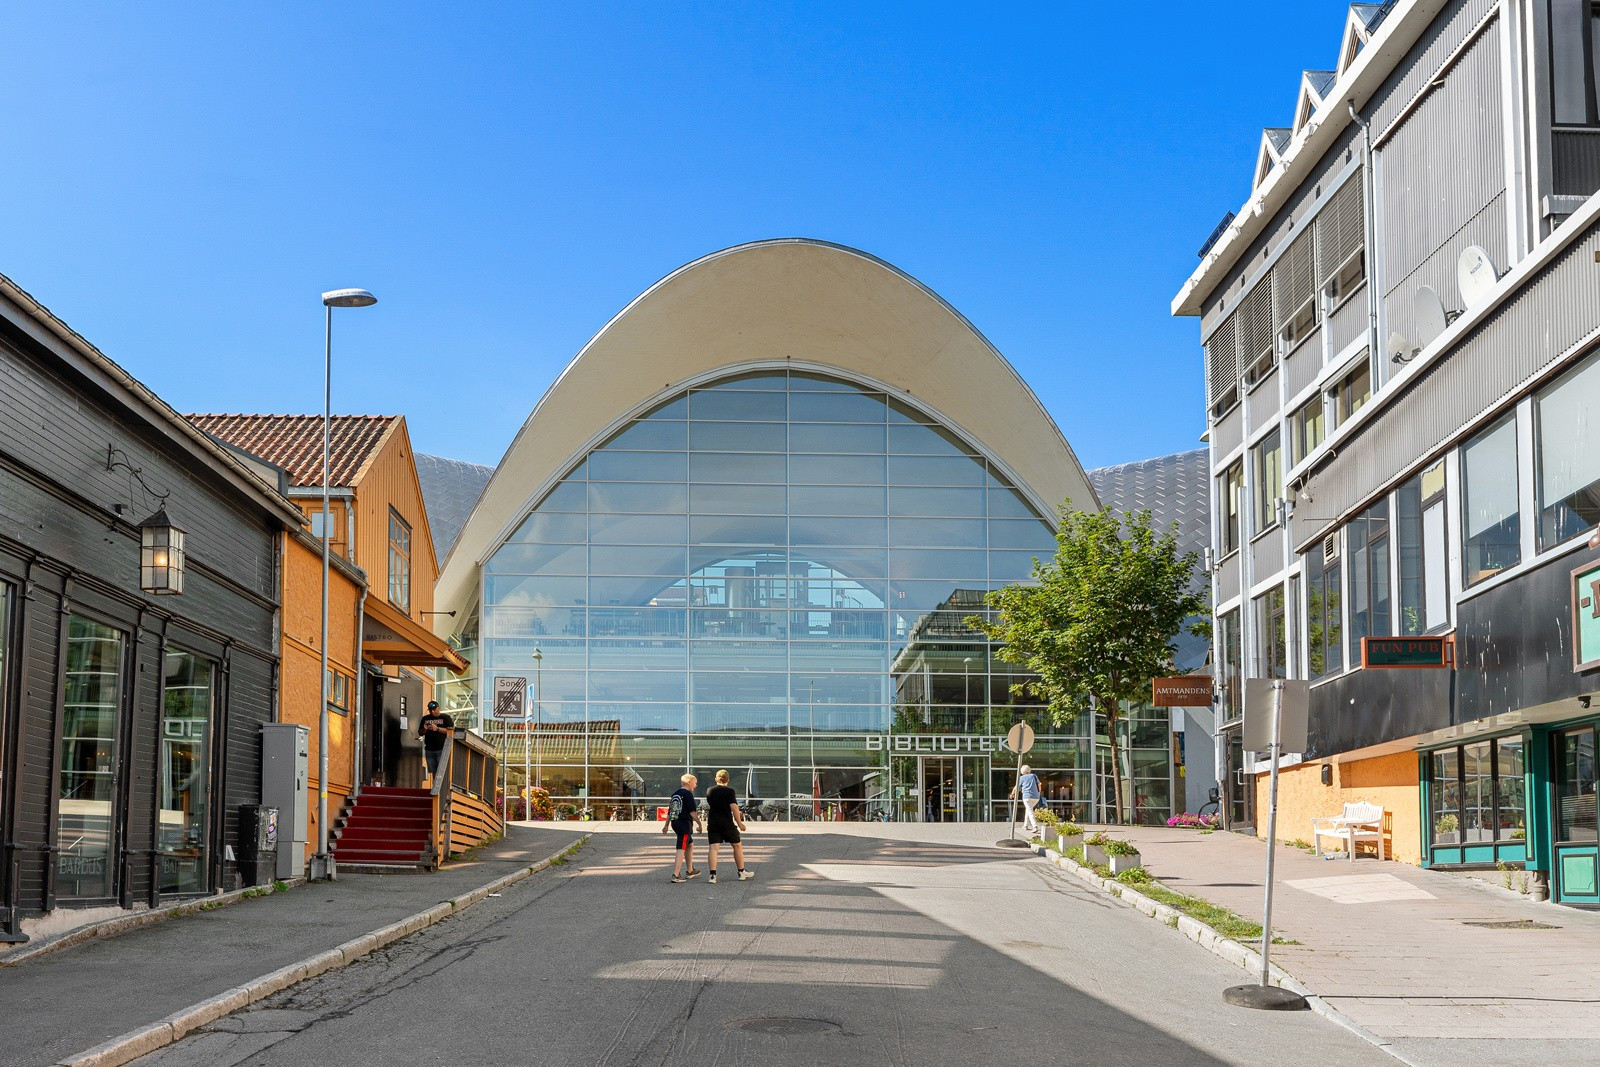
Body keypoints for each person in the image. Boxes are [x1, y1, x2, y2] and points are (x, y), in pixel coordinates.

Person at [704, 769, 754, 884]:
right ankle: (741, 872)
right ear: (728, 780)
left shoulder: (709, 790)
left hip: (713, 822)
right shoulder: (730, 791)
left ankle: (712, 876)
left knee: (713, 848)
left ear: (716, 779)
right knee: (737, 845)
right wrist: (740, 823)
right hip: (726, 823)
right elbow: (734, 808)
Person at [661, 773, 703, 883]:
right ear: (689, 782)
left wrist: (666, 825)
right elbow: (692, 812)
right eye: (695, 783)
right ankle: (676, 874)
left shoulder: (676, 794)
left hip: (675, 823)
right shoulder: (688, 794)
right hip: (684, 824)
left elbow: (671, 811)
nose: (696, 785)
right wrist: (699, 824)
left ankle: (690, 870)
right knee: (681, 847)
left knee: (689, 843)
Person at [417, 700, 454, 782]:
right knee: (433, 771)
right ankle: (435, 789)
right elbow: (420, 732)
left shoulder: (446, 718)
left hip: (442, 748)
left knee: (442, 770)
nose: (432, 711)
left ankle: (441, 789)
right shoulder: (425, 718)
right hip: (429, 748)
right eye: (430, 710)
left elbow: (451, 732)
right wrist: (425, 730)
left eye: (434, 709)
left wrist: (437, 729)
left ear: (438, 708)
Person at [1010, 763, 1042, 835]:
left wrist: (1012, 794)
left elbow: (1016, 787)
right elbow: (1039, 784)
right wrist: (1039, 792)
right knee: (1028, 809)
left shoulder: (1022, 778)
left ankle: (1035, 826)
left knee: (1030, 811)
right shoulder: (1034, 776)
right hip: (1036, 797)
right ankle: (1025, 825)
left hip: (1027, 797)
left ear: (1022, 771)